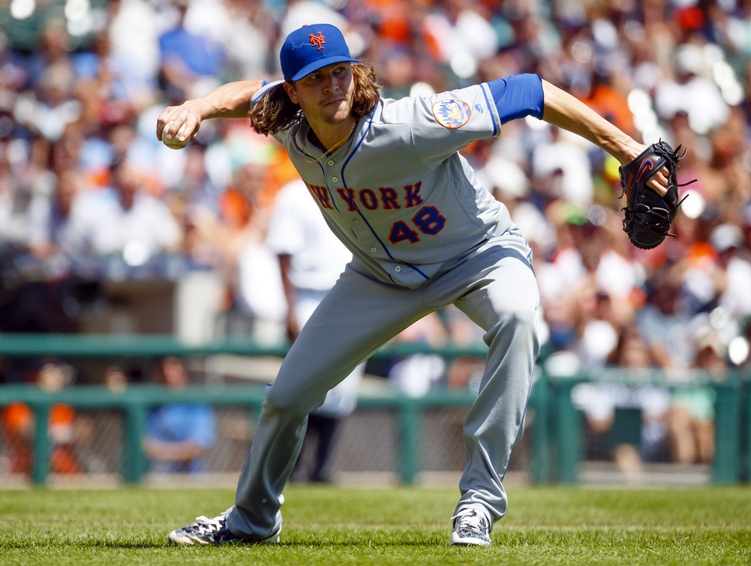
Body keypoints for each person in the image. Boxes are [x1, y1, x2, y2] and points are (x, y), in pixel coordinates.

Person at [158, 23, 669, 547]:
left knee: (517, 319)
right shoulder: (285, 119)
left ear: (355, 75)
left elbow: (529, 91)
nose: (333, 87)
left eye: (340, 73)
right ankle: (251, 520)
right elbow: (248, 93)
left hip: (478, 255)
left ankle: (479, 501)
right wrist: (197, 106)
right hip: (380, 275)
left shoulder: (408, 123)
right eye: (316, 80)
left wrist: (625, 148)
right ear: (293, 91)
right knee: (287, 396)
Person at [266, 178, 364, 483]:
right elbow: (283, 252)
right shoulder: (294, 193)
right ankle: (292, 467)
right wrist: (290, 308)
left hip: (354, 291)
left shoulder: (355, 181)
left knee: (342, 389)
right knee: (306, 385)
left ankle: (322, 467)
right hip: (309, 293)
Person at [143, 356, 216, 474]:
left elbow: (198, 446)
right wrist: (176, 452)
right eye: (163, 367)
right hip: (154, 473)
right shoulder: (150, 402)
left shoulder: (197, 402)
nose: (167, 372)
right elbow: (143, 443)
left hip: (191, 474)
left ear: (183, 370)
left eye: (173, 366)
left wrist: (165, 453)